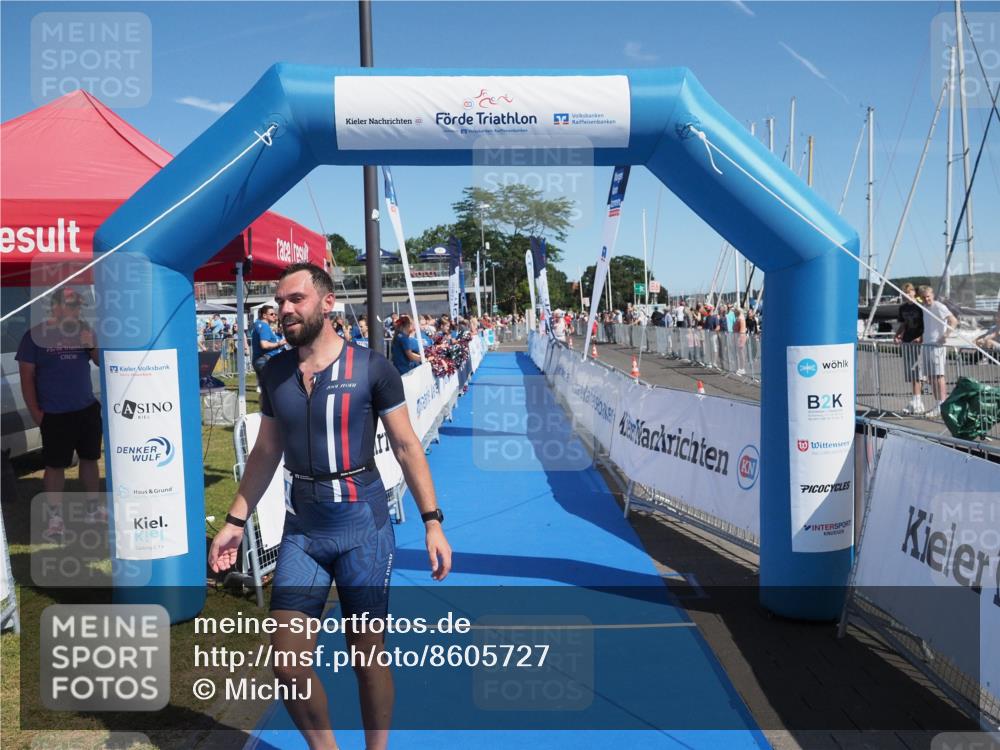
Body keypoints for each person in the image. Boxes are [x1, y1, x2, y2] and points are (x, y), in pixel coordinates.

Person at [209, 263, 451, 750]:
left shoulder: (372, 368)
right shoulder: (274, 370)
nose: (284, 309)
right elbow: (265, 451)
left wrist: (432, 522)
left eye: (295, 299)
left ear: (327, 303)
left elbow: (405, 445)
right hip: (303, 531)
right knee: (288, 663)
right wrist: (235, 520)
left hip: (362, 525)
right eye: (279, 301)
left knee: (366, 656)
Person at [16, 287, 102, 537]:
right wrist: (36, 413)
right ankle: (55, 518)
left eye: (78, 306)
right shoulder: (34, 336)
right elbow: (26, 378)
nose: (77, 310)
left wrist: (91, 345)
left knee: (90, 459)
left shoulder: (85, 332)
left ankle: (93, 509)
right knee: (55, 466)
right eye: (72, 305)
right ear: (55, 307)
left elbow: (100, 361)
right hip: (54, 413)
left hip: (85, 409)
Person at [918, 285, 957, 417]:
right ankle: (938, 404)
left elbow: (953, 320)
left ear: (932, 295)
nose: (926, 299)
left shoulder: (939, 306)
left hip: (937, 345)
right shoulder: (924, 308)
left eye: (928, 296)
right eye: (923, 297)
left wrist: (945, 335)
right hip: (927, 344)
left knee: (938, 376)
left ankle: (942, 404)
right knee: (930, 377)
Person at [894, 283, 926, 414]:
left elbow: (926, 324)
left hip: (919, 343)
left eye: (909, 292)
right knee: (911, 373)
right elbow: (904, 324)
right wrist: (897, 335)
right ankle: (916, 400)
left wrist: (921, 338)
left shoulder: (921, 307)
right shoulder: (903, 308)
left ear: (914, 292)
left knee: (917, 372)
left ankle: (917, 401)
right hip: (907, 341)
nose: (906, 295)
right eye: (904, 293)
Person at [251, 305, 286, 378]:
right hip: (266, 360)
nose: (274, 316)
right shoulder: (264, 326)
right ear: (264, 315)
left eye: (275, 314)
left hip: (262, 360)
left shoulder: (259, 324)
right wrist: (279, 343)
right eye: (271, 314)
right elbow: (264, 344)